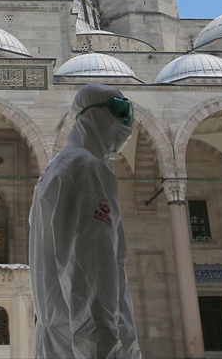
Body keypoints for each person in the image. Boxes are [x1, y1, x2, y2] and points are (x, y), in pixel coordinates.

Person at [29, 83, 140, 359]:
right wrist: (99, 346)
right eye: (120, 111)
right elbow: (89, 266)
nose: (127, 122)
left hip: (63, 339)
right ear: (95, 115)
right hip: (82, 343)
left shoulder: (60, 166)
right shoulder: (86, 167)